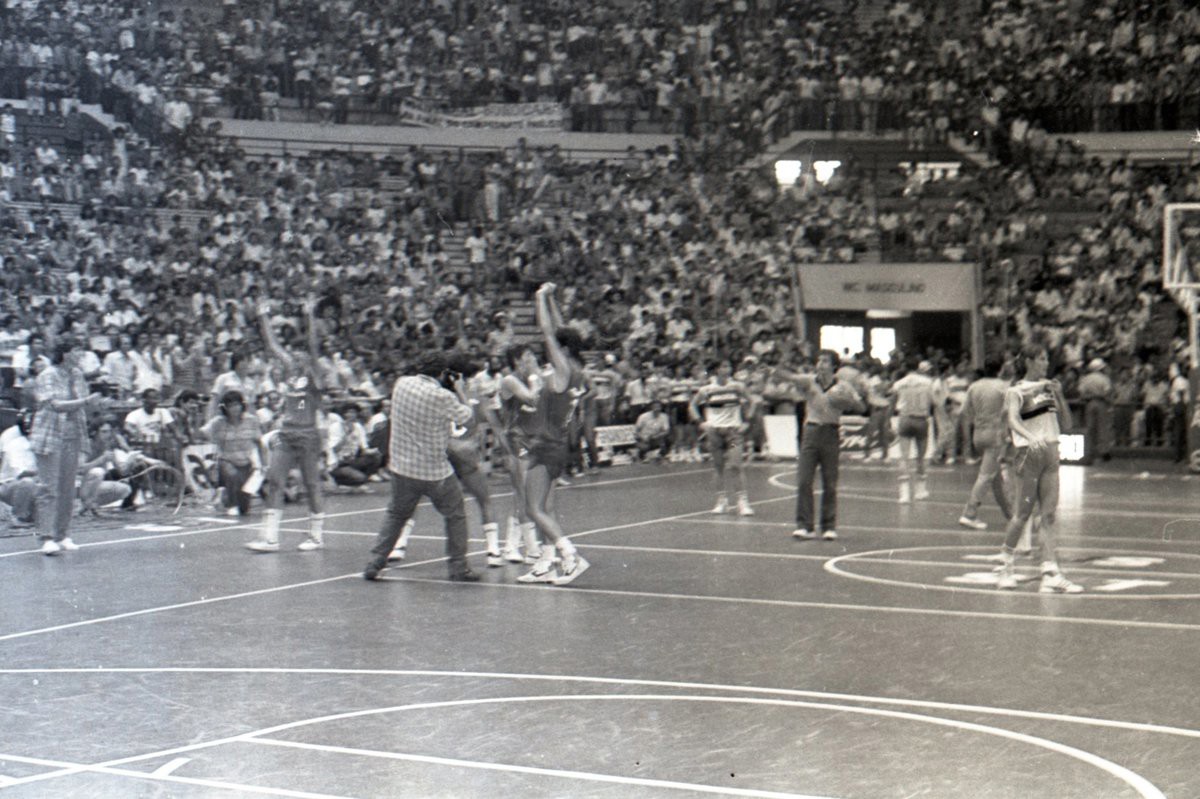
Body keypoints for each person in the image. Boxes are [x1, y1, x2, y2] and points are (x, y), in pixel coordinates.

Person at [363, 351, 480, 582]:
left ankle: (375, 562)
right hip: (434, 471)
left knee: (396, 514)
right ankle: (459, 567)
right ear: (442, 373)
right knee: (455, 515)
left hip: (402, 467)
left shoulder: (401, 384)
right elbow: (469, 419)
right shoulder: (442, 397)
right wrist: (461, 391)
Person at [509, 283, 590, 585]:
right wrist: (553, 299)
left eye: (556, 346)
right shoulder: (576, 371)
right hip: (556, 444)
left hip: (546, 445)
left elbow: (547, 332)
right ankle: (546, 562)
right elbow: (559, 329)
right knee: (545, 507)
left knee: (532, 507)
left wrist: (539, 298)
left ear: (563, 349)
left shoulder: (562, 369)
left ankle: (570, 556)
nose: (549, 349)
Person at [993, 345, 1082, 593]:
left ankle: (1050, 571)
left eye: (1046, 359)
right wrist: (1029, 437)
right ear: (1030, 361)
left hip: (1051, 453)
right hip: (1027, 454)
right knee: (1022, 515)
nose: (1045, 363)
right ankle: (1005, 567)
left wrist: (1060, 396)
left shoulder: (1049, 388)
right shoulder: (1016, 391)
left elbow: (1067, 423)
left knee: (1049, 515)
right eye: (1041, 359)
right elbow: (1012, 421)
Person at [245, 297, 327, 553]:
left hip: (308, 436)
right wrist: (263, 317)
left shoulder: (315, 375)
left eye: (300, 353)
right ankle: (270, 538)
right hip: (287, 434)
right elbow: (272, 345)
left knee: (311, 484)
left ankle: (316, 535)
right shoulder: (291, 373)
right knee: (275, 480)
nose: (294, 356)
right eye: (294, 352)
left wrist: (310, 315)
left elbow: (313, 344)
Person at [774, 350, 865, 541]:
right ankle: (804, 525)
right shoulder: (809, 381)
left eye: (825, 361)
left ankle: (828, 526)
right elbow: (788, 376)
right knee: (803, 481)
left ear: (834, 366)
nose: (820, 364)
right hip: (811, 431)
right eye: (819, 360)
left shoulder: (843, 386)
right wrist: (777, 366)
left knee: (830, 482)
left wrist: (846, 402)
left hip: (831, 432)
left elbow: (861, 407)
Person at [30, 339, 103, 555]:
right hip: (50, 436)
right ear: (64, 353)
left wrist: (94, 404)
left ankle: (63, 534)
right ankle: (46, 537)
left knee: (68, 488)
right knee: (48, 488)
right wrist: (86, 402)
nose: (80, 354)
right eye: (76, 350)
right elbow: (54, 405)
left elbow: (82, 406)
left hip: (73, 436)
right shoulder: (47, 375)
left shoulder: (78, 375)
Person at [689, 359, 754, 516]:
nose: (728, 368)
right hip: (714, 433)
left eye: (729, 366)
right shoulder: (706, 390)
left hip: (732, 433)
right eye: (725, 366)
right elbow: (692, 405)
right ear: (717, 369)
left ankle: (742, 501)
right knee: (718, 467)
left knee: (735, 465)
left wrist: (747, 422)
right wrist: (701, 423)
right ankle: (722, 500)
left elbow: (753, 402)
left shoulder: (737, 387)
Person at [958, 356, 1014, 530]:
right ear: (1000, 370)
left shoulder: (974, 386)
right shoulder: (1003, 388)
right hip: (995, 434)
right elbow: (1009, 412)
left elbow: (965, 412)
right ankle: (970, 512)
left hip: (978, 433)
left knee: (994, 477)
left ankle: (1011, 514)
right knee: (985, 475)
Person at [201, 390, 265, 517]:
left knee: (244, 508)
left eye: (237, 404)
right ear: (225, 408)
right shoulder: (218, 422)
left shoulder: (251, 421)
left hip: (246, 463)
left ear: (242, 405)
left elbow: (259, 443)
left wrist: (264, 463)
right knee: (232, 475)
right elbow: (202, 433)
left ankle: (225, 496)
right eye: (230, 406)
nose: (235, 408)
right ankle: (231, 504)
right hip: (226, 460)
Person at [889, 359, 937, 504]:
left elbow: (892, 402)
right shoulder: (928, 382)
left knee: (904, 457)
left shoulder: (899, 384)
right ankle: (920, 490)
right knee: (920, 457)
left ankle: (904, 494)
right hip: (921, 419)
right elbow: (934, 401)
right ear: (918, 368)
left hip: (904, 418)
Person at [0, 412, 38, 526]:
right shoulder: (16, 445)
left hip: (37, 483)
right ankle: (18, 517)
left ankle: (33, 515)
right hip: (9, 486)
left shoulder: (40, 445)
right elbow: (21, 474)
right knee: (27, 483)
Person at [1076, 358, 1113, 462]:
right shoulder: (1105, 379)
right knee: (1102, 427)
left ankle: (1089, 451)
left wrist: (1091, 394)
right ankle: (1104, 452)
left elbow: (1081, 393)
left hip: (1089, 403)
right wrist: (1099, 395)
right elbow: (1107, 392)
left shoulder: (1085, 379)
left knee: (1090, 428)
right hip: (1101, 403)